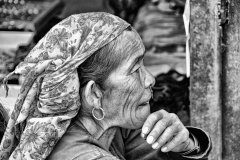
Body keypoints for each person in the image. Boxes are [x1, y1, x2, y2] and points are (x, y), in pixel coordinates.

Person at [0, 12, 211, 160]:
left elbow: (153, 151)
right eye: (134, 69)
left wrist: (187, 145)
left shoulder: (112, 125)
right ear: (95, 94)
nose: (150, 80)